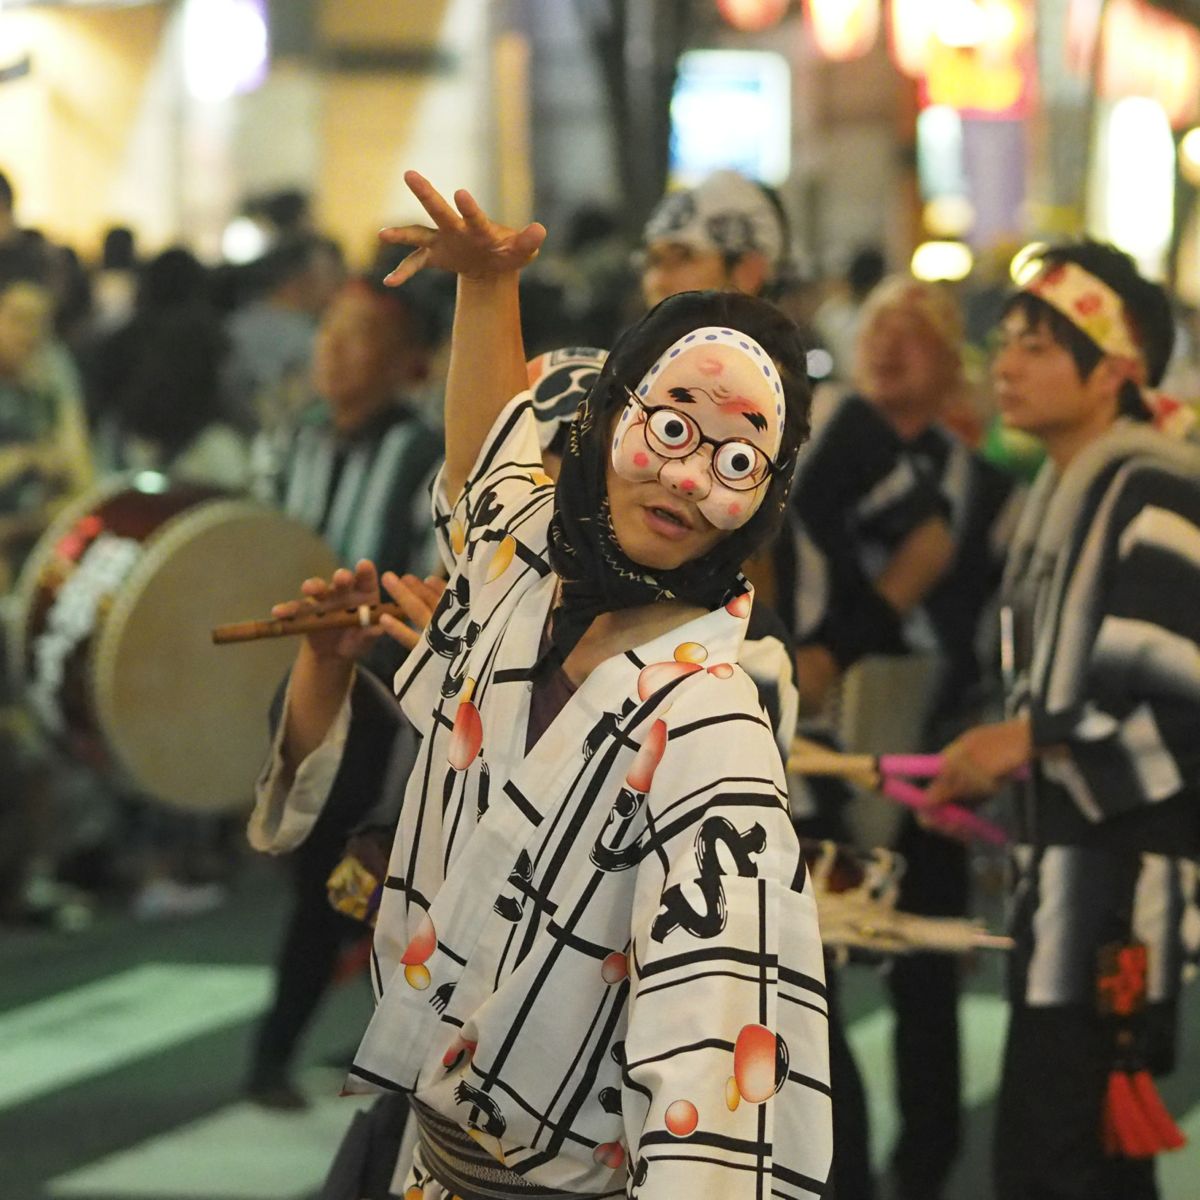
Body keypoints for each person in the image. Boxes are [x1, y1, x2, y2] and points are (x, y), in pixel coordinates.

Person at [251, 171, 832, 1197]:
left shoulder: (715, 721)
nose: (687, 479)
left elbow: (711, 1048)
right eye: (671, 429)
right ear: (608, 425)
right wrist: (487, 286)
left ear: (769, 495)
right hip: (425, 1159)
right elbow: (488, 462)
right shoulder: (520, 581)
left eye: (740, 461)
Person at [925, 241, 1200, 1200]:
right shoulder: (1071, 487)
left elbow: (1169, 695)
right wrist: (999, 758)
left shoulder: (1153, 484)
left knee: (1056, 1161)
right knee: (1083, 1166)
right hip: (1069, 875)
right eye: (1006, 342)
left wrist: (1022, 741)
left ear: (1116, 369)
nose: (1005, 365)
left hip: (1118, 889)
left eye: (1037, 347)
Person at [244, 273, 444, 1109]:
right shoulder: (290, 443)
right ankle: (365, 1043)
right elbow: (248, 548)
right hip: (300, 683)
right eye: (327, 332)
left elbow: (430, 586)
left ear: (402, 361)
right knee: (339, 876)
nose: (330, 351)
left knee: (338, 871)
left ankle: (276, 1053)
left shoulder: (425, 457)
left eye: (355, 336)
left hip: (382, 704)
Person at [852, 275, 1020, 1200]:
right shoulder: (816, 464)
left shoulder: (987, 492)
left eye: (913, 332)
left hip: (934, 757)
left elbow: (1006, 631)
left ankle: (925, 1165)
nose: (888, 346)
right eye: (877, 328)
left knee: (924, 975)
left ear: (955, 364)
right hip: (825, 754)